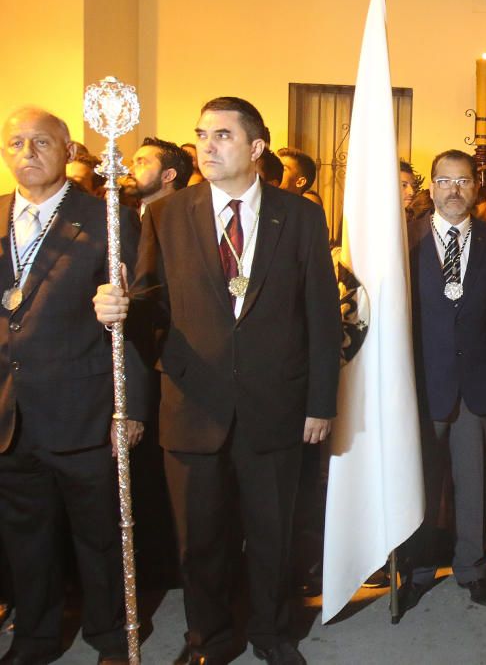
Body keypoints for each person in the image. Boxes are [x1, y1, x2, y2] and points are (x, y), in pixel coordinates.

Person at [93, 97, 341, 665]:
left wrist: (319, 403)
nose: (207, 145)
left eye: (223, 135)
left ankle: (273, 634)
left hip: (276, 406)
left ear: (256, 149)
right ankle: (207, 639)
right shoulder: (166, 214)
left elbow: (322, 319)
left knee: (272, 535)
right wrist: (121, 306)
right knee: (199, 540)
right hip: (193, 406)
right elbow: (152, 305)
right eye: (202, 134)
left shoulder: (298, 215)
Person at [0, 106, 147, 664]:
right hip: (11, 414)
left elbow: (137, 321)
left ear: (67, 150)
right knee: (25, 539)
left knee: (100, 536)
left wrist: (130, 406)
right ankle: (35, 637)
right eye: (16, 142)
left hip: (84, 408)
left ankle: (109, 634)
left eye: (41, 142)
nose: (28, 152)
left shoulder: (105, 217)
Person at [401, 149, 486, 613]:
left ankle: (472, 569)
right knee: (421, 484)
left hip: (479, 384)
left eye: (463, 181)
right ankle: (418, 569)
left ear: (476, 187)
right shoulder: (403, 240)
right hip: (422, 386)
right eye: (444, 180)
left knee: (474, 482)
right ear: (430, 187)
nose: (453, 190)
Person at [124, 136, 194, 211]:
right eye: (132, 163)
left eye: (141, 163)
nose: (129, 171)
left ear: (168, 175)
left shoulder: (189, 220)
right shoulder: (125, 216)